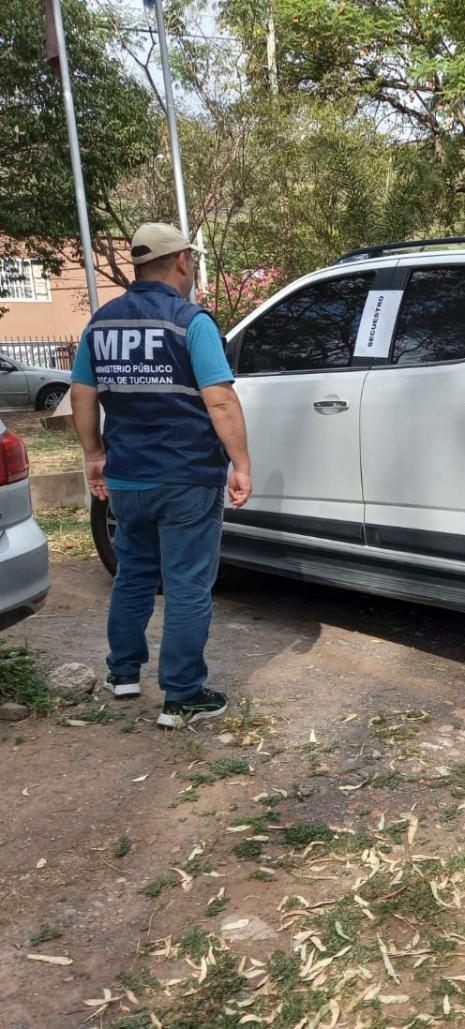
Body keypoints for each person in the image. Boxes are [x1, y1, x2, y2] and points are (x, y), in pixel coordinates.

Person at [70, 223, 253, 728]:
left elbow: (82, 393)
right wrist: (241, 464)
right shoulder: (191, 322)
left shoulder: (101, 324)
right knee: (188, 585)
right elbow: (219, 397)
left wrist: (94, 455)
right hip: (187, 478)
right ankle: (182, 695)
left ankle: (123, 674)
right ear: (181, 263)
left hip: (128, 480)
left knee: (133, 578)